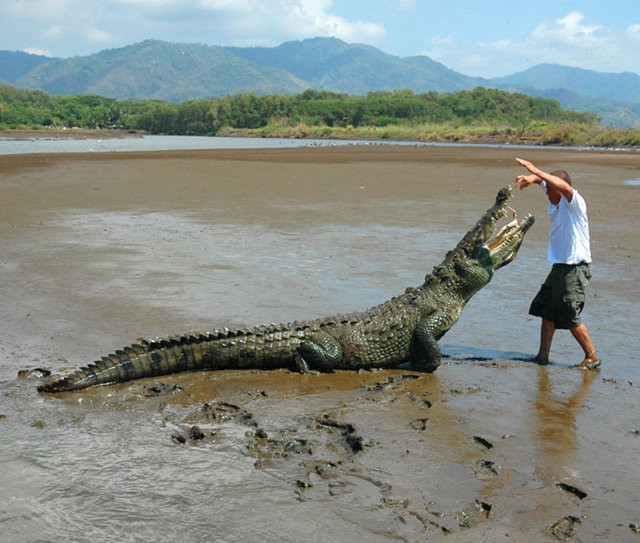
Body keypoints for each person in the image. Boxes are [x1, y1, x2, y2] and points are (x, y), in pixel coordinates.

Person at [514, 157, 601, 370]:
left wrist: (534, 168)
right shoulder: (555, 196)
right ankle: (542, 356)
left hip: (575, 267)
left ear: (560, 191)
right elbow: (545, 182)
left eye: (549, 191)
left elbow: (561, 185)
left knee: (569, 313)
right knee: (547, 309)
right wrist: (530, 178)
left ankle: (592, 357)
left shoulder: (574, 202)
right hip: (560, 266)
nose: (547, 194)